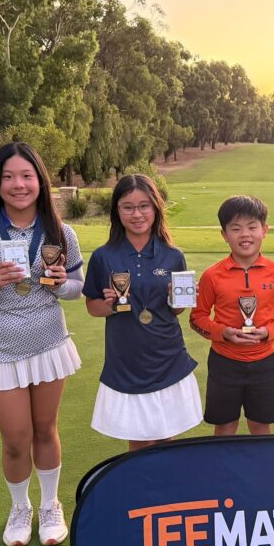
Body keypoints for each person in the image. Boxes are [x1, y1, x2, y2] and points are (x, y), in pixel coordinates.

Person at [0, 142, 83, 546]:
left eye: (26, 176)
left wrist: (62, 285)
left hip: (48, 344)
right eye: (8, 177)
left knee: (45, 429)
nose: (18, 184)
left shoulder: (61, 233)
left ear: (40, 182)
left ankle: (49, 506)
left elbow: (78, 288)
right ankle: (20, 507)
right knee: (15, 437)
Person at [82, 174, 201, 451]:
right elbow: (92, 306)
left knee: (165, 437)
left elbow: (177, 310)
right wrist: (110, 304)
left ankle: (165, 493)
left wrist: (178, 298)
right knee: (139, 441)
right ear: (117, 211)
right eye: (128, 207)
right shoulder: (103, 256)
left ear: (156, 208)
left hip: (167, 356)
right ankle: (143, 494)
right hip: (127, 359)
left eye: (144, 205)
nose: (137, 214)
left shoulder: (173, 254)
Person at [191, 196, 274, 436]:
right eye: (235, 228)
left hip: (263, 363)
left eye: (252, 227)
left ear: (264, 230)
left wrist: (269, 332)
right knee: (225, 425)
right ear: (224, 234)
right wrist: (223, 334)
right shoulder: (212, 276)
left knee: (261, 426)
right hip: (223, 363)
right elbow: (197, 318)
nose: (245, 235)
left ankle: (260, 472)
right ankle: (222, 472)